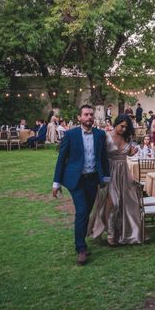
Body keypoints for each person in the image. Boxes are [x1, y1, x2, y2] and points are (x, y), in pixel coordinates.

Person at [52, 105, 109, 265]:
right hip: (76, 180)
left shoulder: (100, 134)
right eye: (86, 114)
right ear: (79, 117)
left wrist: (106, 178)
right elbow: (61, 159)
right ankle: (81, 248)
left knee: (87, 212)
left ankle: (81, 241)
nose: (89, 117)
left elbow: (103, 157)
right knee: (82, 212)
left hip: (93, 179)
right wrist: (56, 183)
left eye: (91, 114)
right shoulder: (70, 135)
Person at [89, 115, 142, 246]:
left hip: (124, 172)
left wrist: (131, 152)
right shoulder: (106, 136)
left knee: (127, 203)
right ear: (116, 123)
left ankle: (123, 232)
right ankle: (111, 235)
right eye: (121, 126)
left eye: (126, 127)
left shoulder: (127, 137)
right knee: (114, 203)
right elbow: (99, 155)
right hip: (110, 172)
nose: (123, 129)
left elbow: (128, 152)